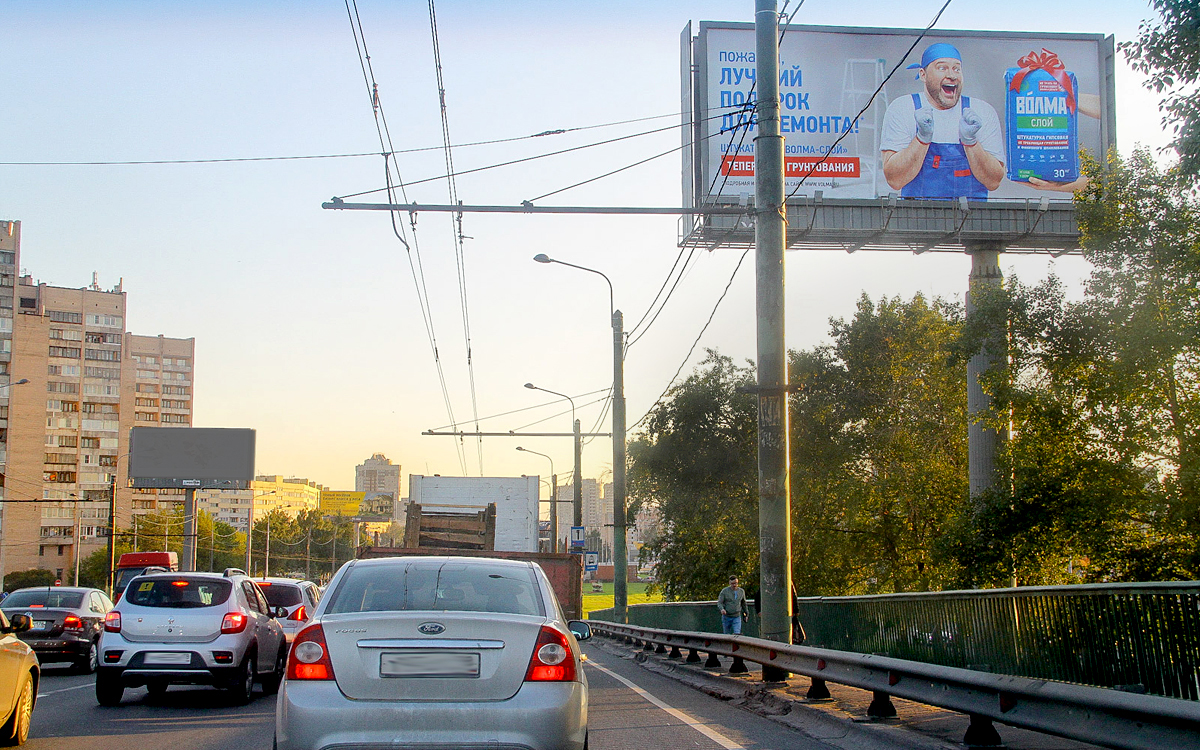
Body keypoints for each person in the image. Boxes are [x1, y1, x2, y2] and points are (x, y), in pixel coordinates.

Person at [880, 42, 1004, 199]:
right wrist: (921, 139)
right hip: (916, 219)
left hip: (972, 219)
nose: (952, 75)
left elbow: (994, 182)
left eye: (956, 69)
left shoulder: (981, 111)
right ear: (923, 74)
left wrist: (971, 143)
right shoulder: (903, 108)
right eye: (942, 68)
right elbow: (894, 180)